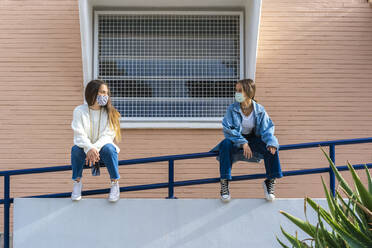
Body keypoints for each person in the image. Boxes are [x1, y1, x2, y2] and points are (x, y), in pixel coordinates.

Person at [211, 79, 283, 202]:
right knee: (225, 144)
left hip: (254, 139)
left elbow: (267, 129)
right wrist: (243, 143)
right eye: (236, 90)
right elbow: (228, 129)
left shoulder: (259, 110)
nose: (237, 93)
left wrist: (271, 142)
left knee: (272, 147)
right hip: (236, 139)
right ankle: (224, 182)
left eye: (240, 90)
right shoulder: (232, 109)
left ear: (248, 92)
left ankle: (270, 181)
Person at [70, 80, 122, 202]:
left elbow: (108, 136)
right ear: (93, 92)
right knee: (76, 149)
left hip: (102, 153)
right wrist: (89, 148)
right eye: (102, 92)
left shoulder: (111, 112)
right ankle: (77, 183)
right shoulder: (79, 111)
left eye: (106, 93)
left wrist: (94, 149)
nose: (105, 96)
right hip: (86, 153)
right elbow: (79, 134)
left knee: (110, 148)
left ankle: (115, 183)